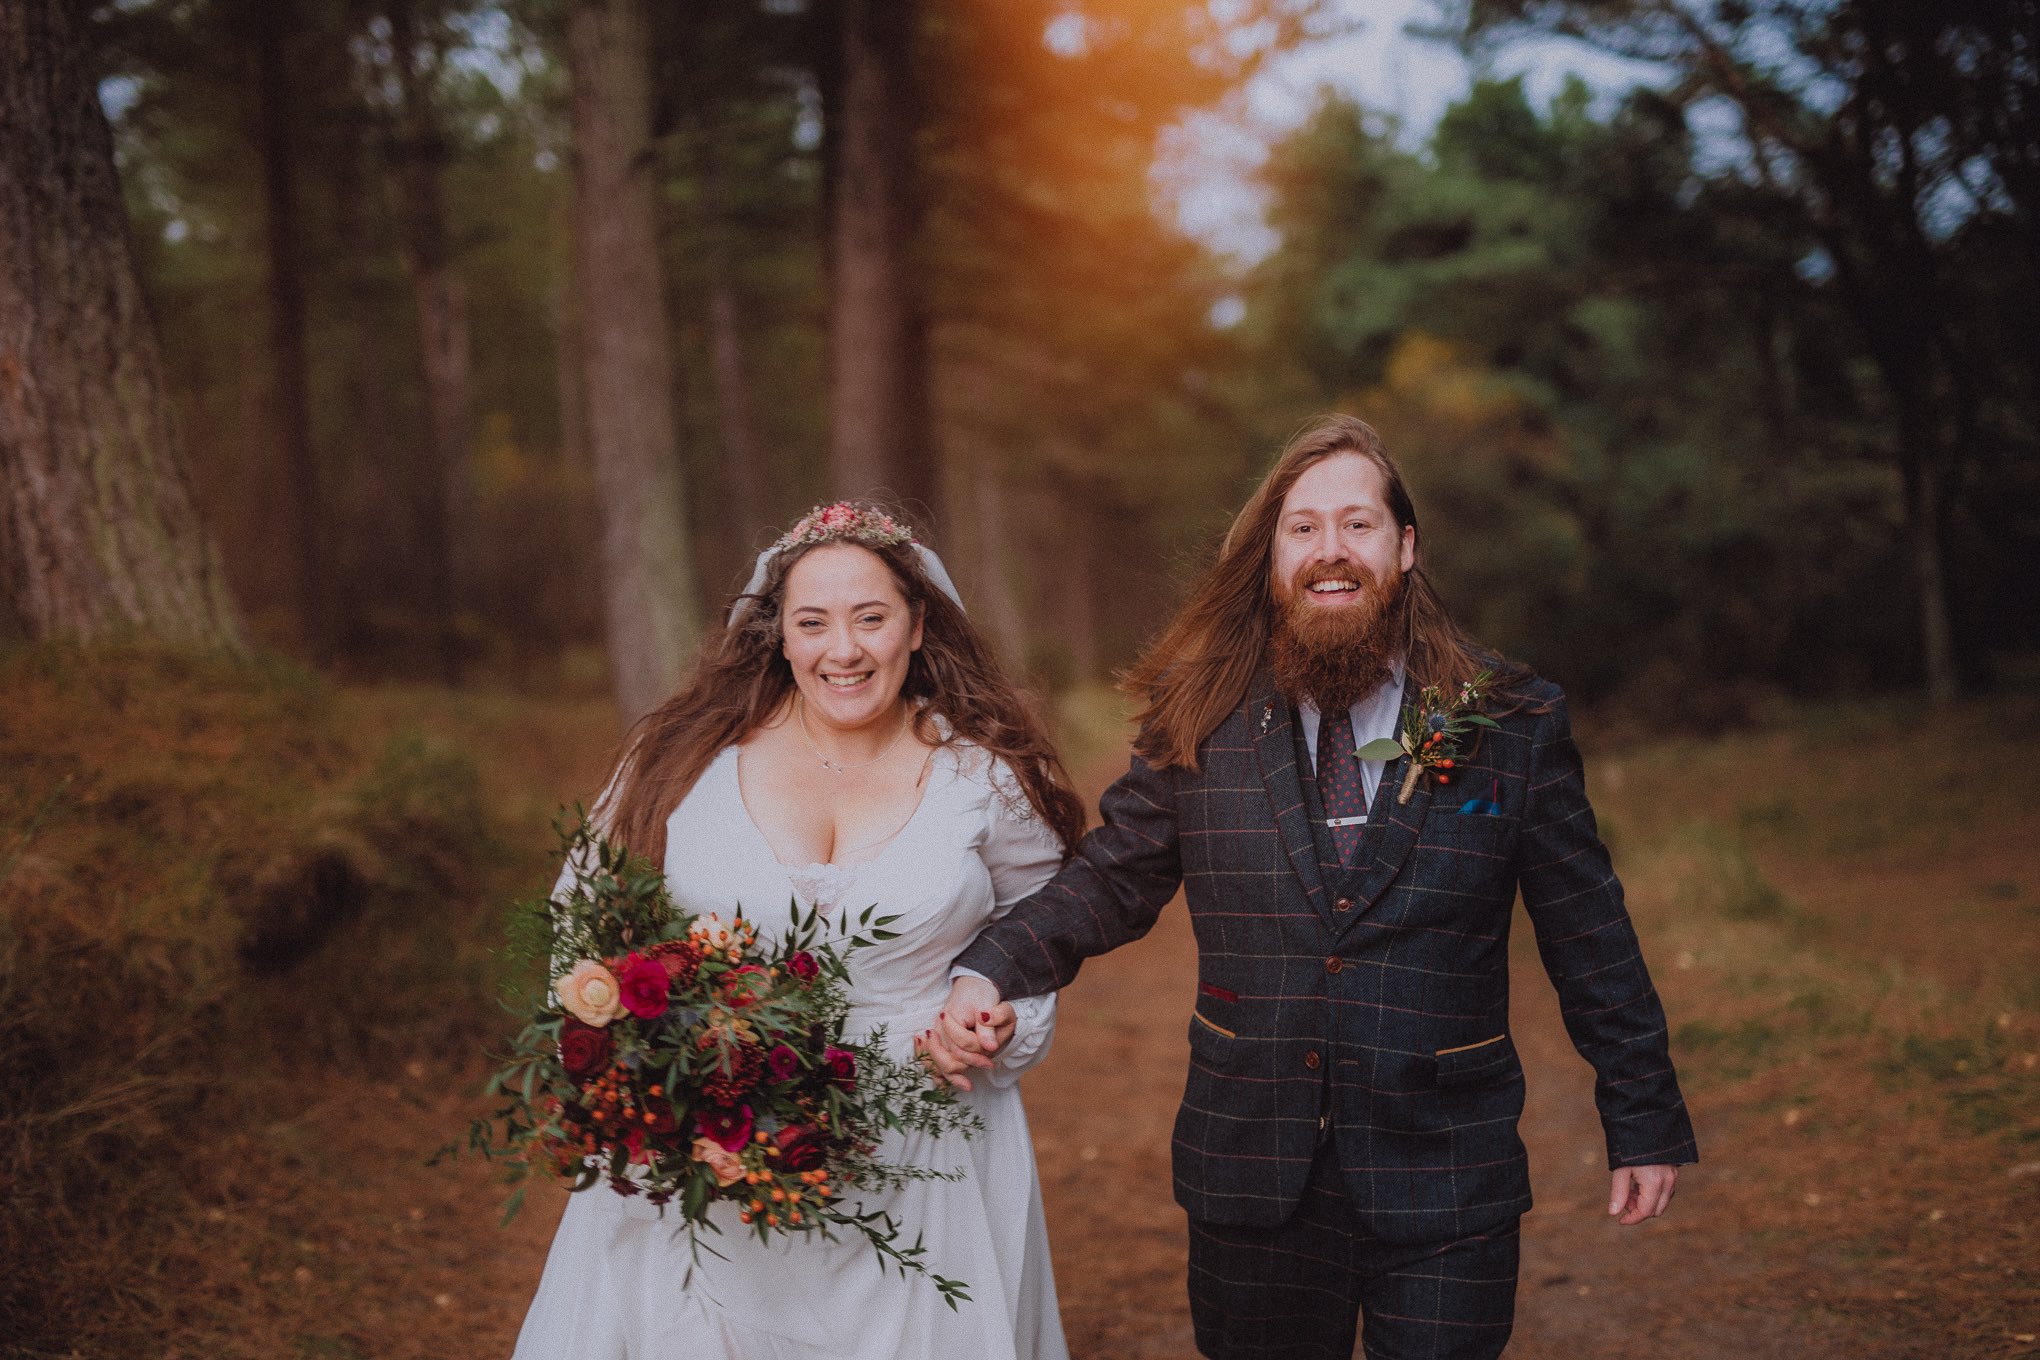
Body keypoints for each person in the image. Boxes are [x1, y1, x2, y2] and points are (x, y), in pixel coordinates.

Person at [928, 415, 1699, 1360]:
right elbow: (1112, 879)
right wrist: (990, 969)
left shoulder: (1511, 718)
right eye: (1303, 528)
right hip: (1251, 1168)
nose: (1331, 551)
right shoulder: (1199, 711)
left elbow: (1587, 929)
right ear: (1271, 556)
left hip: (1447, 1170)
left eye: (1358, 525)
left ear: (1405, 547)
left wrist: (1643, 1114)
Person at [512, 502, 1087, 1360]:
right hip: (711, 1152)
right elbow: (581, 915)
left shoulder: (983, 776)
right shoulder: (683, 761)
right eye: (812, 622)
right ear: (778, 635)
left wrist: (1002, 1016)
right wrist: (637, 1061)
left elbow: (1047, 920)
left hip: (924, 1153)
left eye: (871, 618)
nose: (842, 650)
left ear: (918, 624)